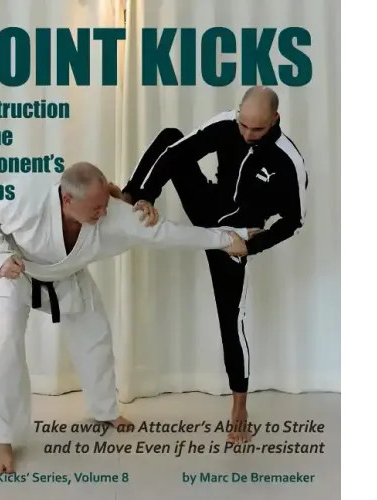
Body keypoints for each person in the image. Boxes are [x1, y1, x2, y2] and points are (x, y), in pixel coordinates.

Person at [0, 162, 256, 473]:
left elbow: (167, 233)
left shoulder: (113, 213)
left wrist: (229, 237)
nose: (104, 211)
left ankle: (105, 410)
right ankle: (2, 440)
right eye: (96, 207)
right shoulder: (24, 196)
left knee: (95, 334)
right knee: (8, 341)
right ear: (67, 199)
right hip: (16, 272)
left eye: (105, 203)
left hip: (66, 274)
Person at [120, 86, 308, 445]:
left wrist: (250, 245)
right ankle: (132, 197)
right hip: (206, 205)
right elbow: (178, 154)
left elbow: (293, 221)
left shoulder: (288, 161)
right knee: (172, 138)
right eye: (243, 125)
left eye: (257, 129)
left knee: (230, 320)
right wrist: (147, 195)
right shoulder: (226, 124)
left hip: (233, 238)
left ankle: (239, 408)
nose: (247, 134)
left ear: (275, 120)